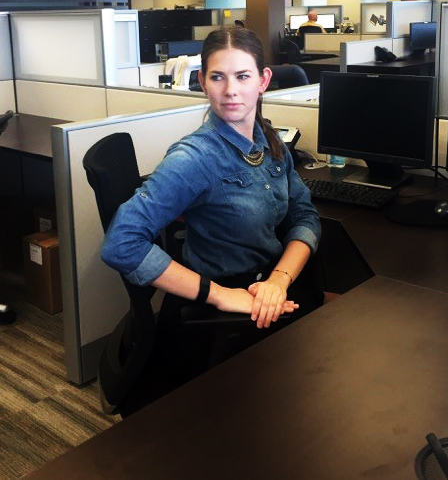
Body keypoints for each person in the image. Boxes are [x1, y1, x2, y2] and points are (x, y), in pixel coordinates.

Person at [101, 26, 324, 382]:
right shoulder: (194, 158)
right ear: (203, 81)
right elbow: (120, 243)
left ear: (263, 80)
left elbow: (305, 215)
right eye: (218, 77)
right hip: (228, 306)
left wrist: (278, 281)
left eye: (242, 76)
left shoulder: (268, 141)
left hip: (270, 284)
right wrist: (220, 296)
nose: (231, 90)